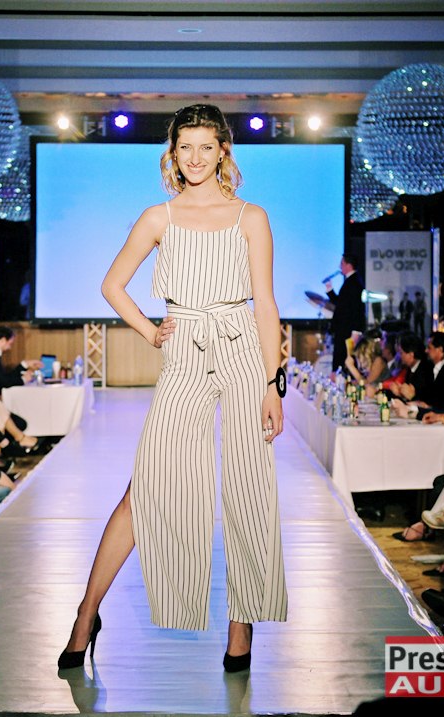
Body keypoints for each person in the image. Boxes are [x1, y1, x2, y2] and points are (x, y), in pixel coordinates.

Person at [58, 104, 288, 674]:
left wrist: (272, 382)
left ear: (223, 151)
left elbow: (265, 303)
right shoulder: (158, 217)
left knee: (248, 489)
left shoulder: (251, 217)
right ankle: (86, 613)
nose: (195, 157)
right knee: (145, 491)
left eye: (206, 146)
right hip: (184, 350)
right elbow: (112, 285)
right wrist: (150, 331)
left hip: (242, 349)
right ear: (172, 153)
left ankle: (241, 625)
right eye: (185, 147)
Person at [324, 253, 365, 377]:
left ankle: (341, 381)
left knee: (344, 358)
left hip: (348, 330)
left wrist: (356, 331)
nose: (339, 266)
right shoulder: (350, 281)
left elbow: (357, 308)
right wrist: (329, 289)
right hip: (343, 328)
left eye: (342, 263)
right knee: (340, 357)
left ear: (348, 265)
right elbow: (341, 304)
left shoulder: (354, 282)